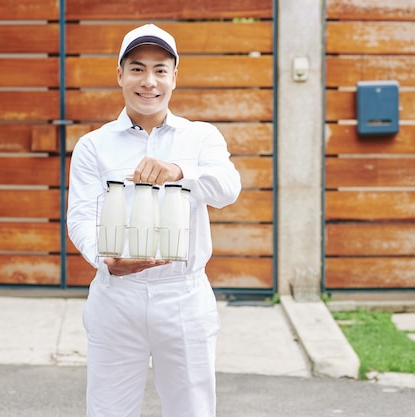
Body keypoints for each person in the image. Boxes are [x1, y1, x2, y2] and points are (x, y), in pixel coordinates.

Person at [66, 24, 241, 417]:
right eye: (137, 68)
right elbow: (81, 213)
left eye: (160, 70)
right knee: (108, 410)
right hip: (116, 296)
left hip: (183, 295)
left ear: (174, 77)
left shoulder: (201, 137)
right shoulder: (94, 145)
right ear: (120, 75)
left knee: (191, 409)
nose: (149, 81)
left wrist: (180, 170)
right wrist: (104, 260)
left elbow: (228, 188)